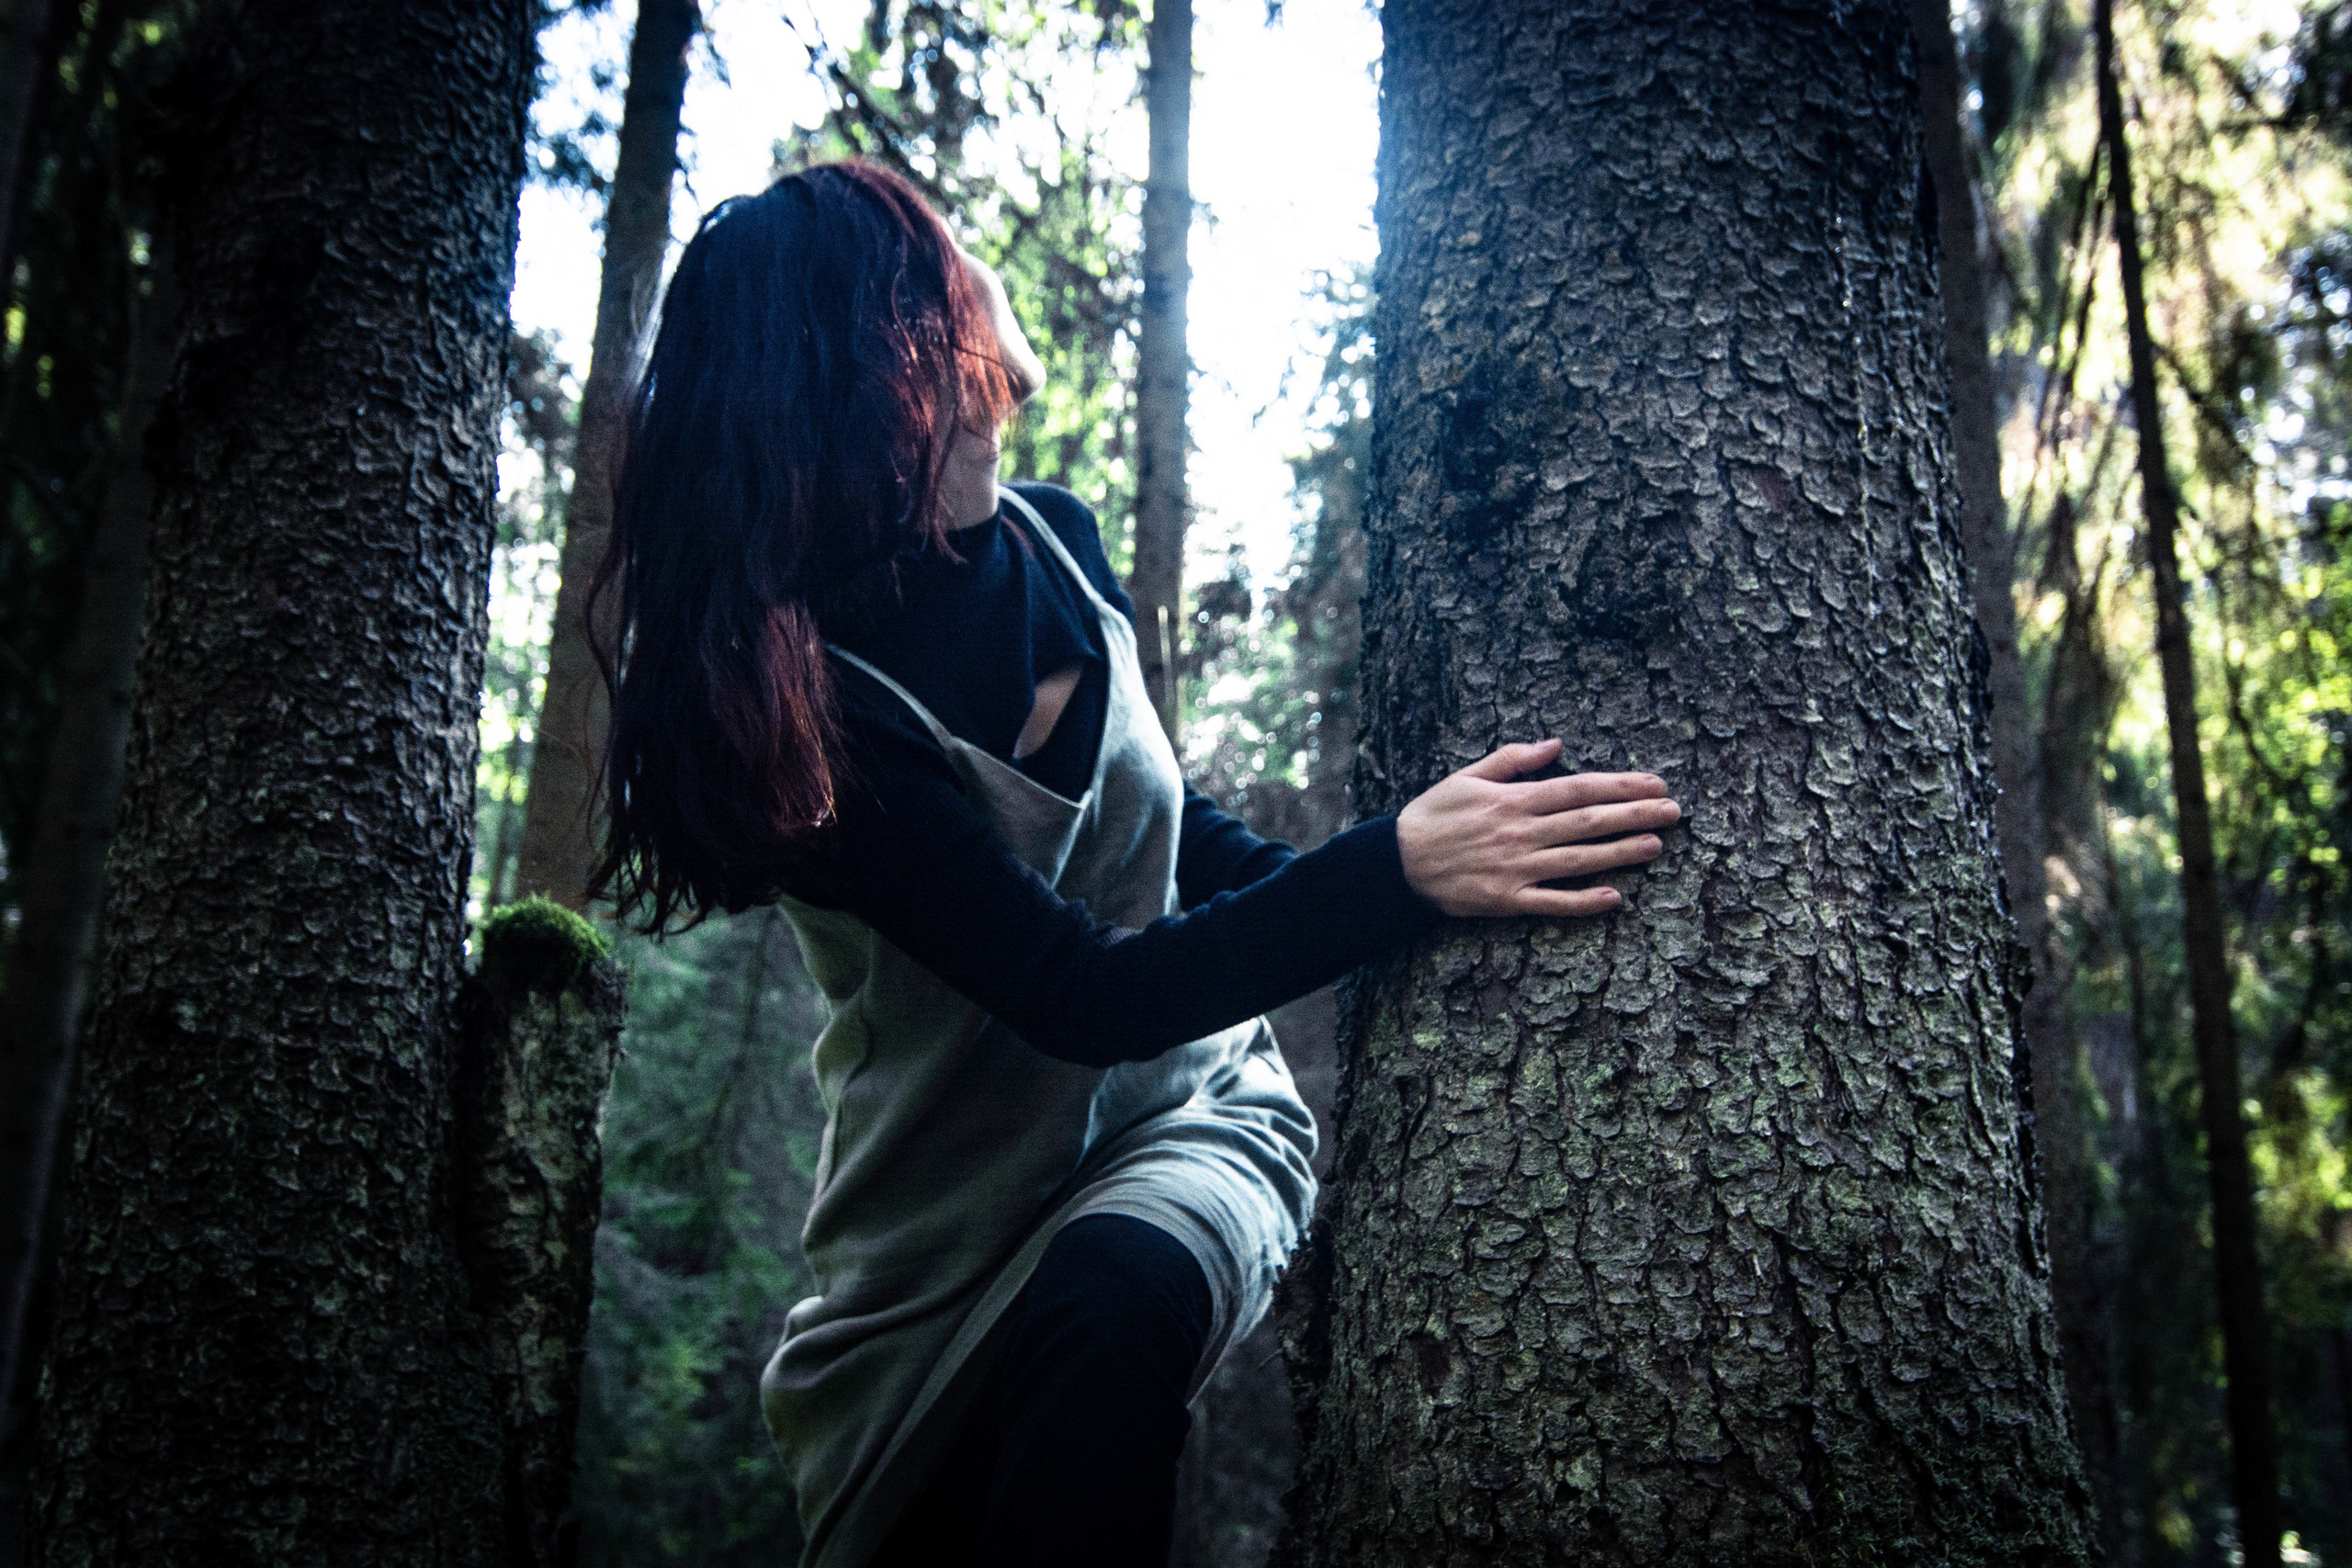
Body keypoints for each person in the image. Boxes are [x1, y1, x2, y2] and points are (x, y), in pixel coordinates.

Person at [588, 161, 1682, 1568]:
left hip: (1193, 1127)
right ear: (874, 374)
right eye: (941, 286)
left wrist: (1407, 870)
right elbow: (1075, 990)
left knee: (1110, 1308)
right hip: (926, 1277)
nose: (984, 305)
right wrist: (1391, 874)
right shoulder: (830, 708)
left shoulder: (1061, 543)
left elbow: (1174, 846)